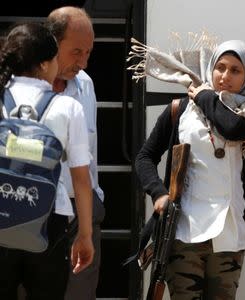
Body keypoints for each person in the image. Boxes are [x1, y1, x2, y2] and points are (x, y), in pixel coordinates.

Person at [135, 40, 245, 299]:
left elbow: (232, 129)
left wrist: (204, 95)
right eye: (220, 67)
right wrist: (158, 193)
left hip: (229, 235)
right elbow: (145, 156)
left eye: (235, 70)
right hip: (186, 231)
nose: (225, 76)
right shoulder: (181, 110)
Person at [0, 22, 93, 299]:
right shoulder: (67, 107)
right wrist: (85, 235)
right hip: (48, 222)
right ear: (43, 64)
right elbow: (81, 179)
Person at [46, 6, 105, 300]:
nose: (83, 62)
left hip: (82, 213)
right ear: (52, 42)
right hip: (34, 211)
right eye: (76, 52)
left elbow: (89, 153)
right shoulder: (20, 85)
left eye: (88, 53)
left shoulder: (86, 85)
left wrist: (92, 208)